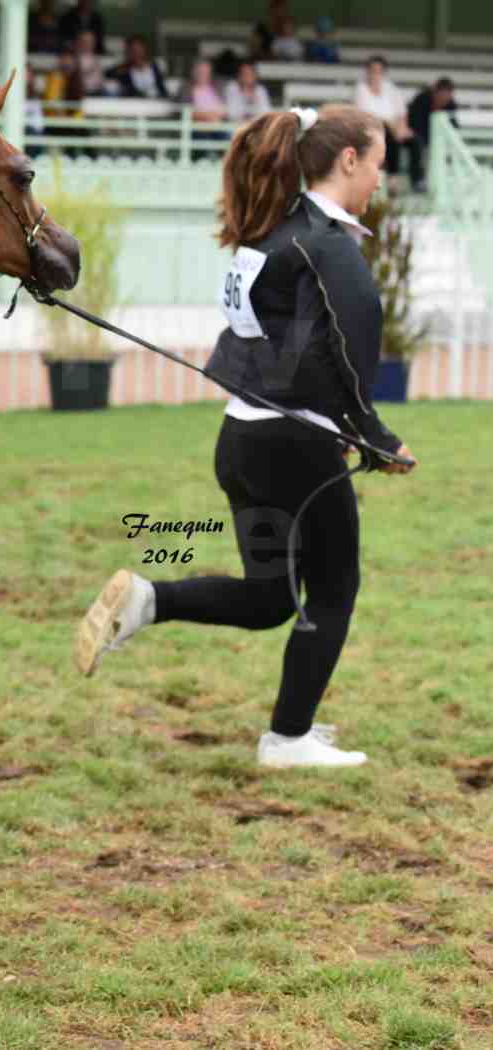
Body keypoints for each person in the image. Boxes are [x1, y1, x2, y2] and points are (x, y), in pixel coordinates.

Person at [75, 104, 416, 770]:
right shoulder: (325, 247)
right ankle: (287, 740)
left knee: (268, 599)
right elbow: (333, 358)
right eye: (377, 162)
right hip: (297, 453)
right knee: (334, 588)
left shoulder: (270, 235)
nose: (379, 178)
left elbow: (273, 350)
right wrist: (374, 437)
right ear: (348, 160)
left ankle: (147, 599)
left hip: (243, 442)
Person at [354, 56, 409, 177]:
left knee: (414, 141)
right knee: (389, 136)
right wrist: (389, 125)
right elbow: (364, 115)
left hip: (393, 127)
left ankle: (417, 179)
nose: (376, 74)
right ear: (367, 72)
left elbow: (401, 112)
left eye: (379, 71)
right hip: (372, 128)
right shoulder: (361, 89)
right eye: (373, 71)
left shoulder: (391, 88)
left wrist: (401, 128)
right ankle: (391, 177)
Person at [406, 77, 457, 192]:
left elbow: (454, 127)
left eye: (447, 96)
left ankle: (448, 181)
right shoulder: (421, 99)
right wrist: (433, 141)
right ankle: (417, 181)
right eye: (442, 95)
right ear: (436, 91)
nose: (444, 99)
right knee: (417, 144)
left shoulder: (452, 105)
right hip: (417, 136)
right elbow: (414, 124)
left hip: (438, 139)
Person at [106, 35, 167, 100]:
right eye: (133, 50)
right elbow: (108, 74)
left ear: (144, 49)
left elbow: (162, 90)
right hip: (135, 103)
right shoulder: (124, 69)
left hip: (156, 102)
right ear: (128, 51)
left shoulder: (154, 67)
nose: (136, 53)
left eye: (139, 49)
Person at [74, 30, 104, 96]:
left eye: (91, 41)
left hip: (98, 92)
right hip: (82, 93)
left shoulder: (94, 58)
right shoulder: (74, 58)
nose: (89, 44)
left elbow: (99, 79)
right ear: (79, 42)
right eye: (85, 41)